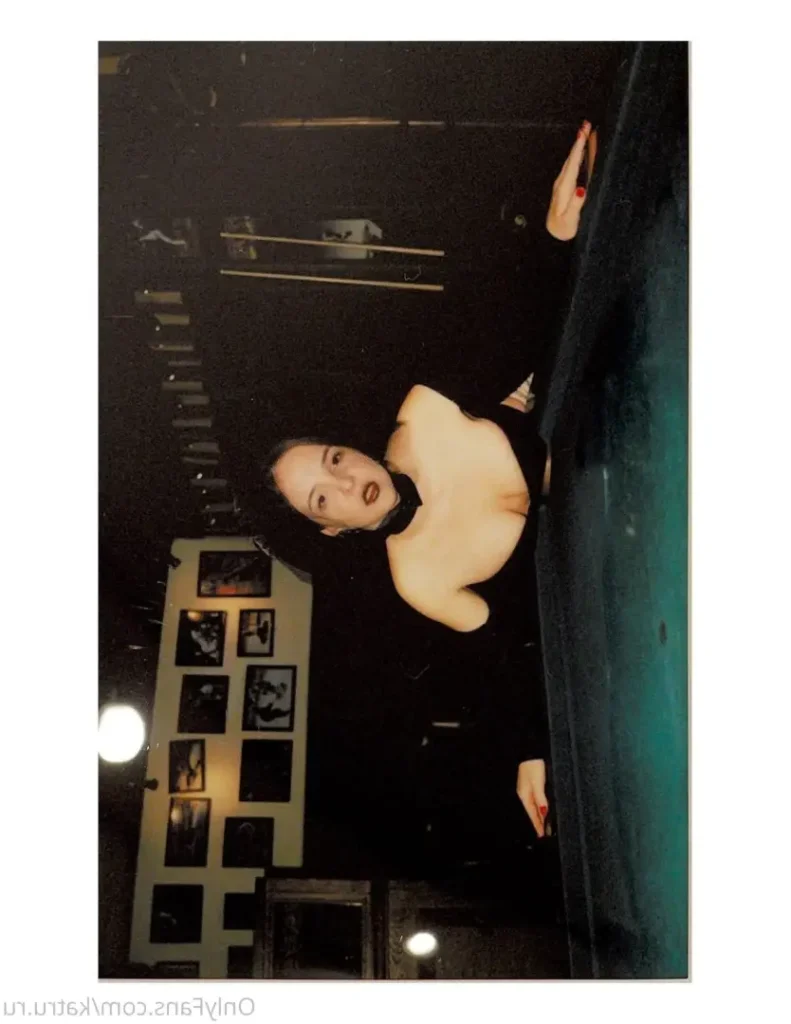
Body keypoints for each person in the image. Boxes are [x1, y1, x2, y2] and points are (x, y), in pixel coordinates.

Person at [259, 122, 597, 839]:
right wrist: (527, 754)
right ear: (329, 528)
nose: (346, 483)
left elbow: (513, 324)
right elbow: (501, 661)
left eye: (334, 459)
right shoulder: (418, 580)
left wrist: (552, 230)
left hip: (603, 437)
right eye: (323, 498)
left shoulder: (425, 412)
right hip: (603, 541)